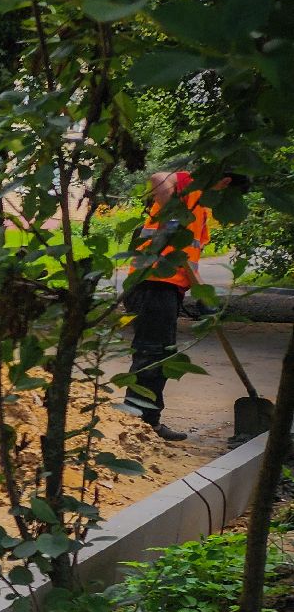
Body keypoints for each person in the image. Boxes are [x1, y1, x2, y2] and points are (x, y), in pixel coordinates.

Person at [123, 169, 231, 442]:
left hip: (165, 288)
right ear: (225, 181)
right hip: (152, 286)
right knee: (151, 356)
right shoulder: (190, 190)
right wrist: (172, 210)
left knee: (160, 357)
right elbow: (159, 176)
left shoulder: (200, 206)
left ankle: (147, 421)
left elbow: (187, 258)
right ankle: (137, 422)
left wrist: (203, 295)